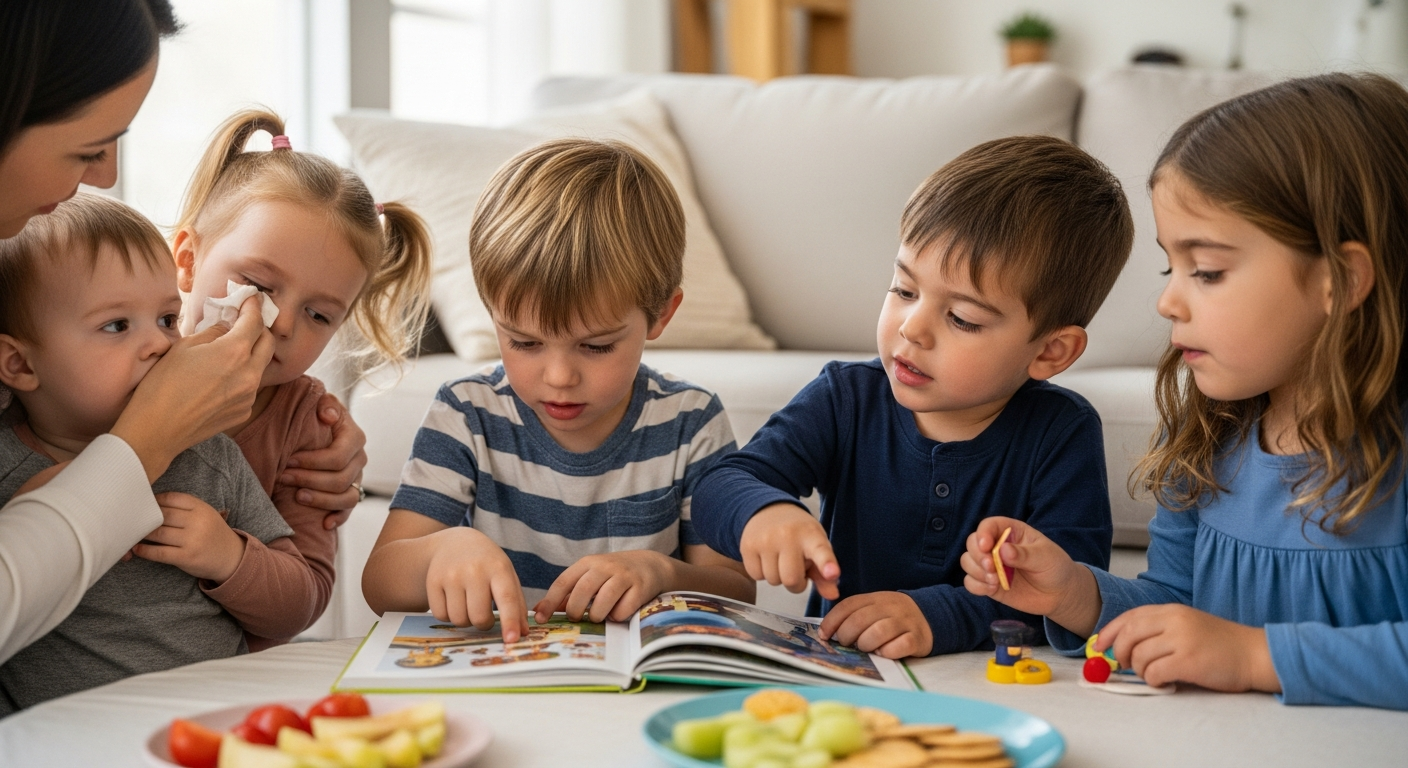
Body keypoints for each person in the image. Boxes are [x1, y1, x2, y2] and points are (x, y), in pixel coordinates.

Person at [961, 73, 1408, 710]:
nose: (1168, 300)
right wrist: (1072, 594)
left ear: (1341, 279)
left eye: (1208, 271)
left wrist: (1256, 656)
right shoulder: (1207, 437)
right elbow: (1177, 607)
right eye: (1173, 267)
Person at [0, 0, 366, 664]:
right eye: (87, 148)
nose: (105, 178)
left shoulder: (230, 452)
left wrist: (235, 547)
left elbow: (300, 591)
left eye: (320, 313)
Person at [692, 136, 1133, 658]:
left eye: (962, 318)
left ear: (1051, 352)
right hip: (846, 668)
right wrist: (761, 511)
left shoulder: (1061, 432)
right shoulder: (846, 398)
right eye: (904, 290)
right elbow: (718, 487)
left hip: (989, 684)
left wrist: (936, 616)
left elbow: (1069, 593)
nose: (912, 328)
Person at [362, 138, 755, 643]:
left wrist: (664, 574)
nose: (559, 377)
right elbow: (379, 583)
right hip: (498, 674)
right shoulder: (467, 413)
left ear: (661, 314)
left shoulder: (690, 420)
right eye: (524, 341)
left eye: (595, 347)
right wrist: (441, 551)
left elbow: (736, 591)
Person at [0, 193, 313, 712]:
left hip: (214, 724)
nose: (161, 346)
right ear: (19, 365)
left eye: (168, 320)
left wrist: (229, 557)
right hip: (61, 742)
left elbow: (295, 609)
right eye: (117, 326)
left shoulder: (207, 455)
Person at [171, 109, 433, 649]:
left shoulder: (306, 427)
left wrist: (230, 557)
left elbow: (304, 601)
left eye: (319, 315)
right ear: (188, 260)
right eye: (258, 284)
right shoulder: (111, 363)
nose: (283, 324)